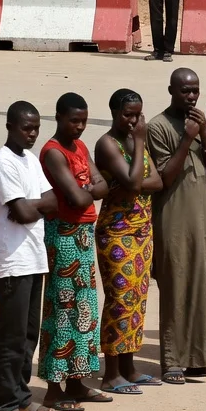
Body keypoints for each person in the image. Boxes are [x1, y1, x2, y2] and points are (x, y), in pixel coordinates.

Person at [146, 69, 206, 382]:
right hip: (174, 217)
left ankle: (201, 358)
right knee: (176, 287)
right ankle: (172, 361)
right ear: (172, 90)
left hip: (202, 217)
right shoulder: (158, 127)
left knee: (202, 285)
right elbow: (165, 177)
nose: (191, 97)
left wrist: (204, 134)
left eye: (194, 91)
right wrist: (188, 138)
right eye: (185, 91)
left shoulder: (199, 126)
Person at [0, 102, 59, 411]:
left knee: (30, 334)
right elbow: (26, 211)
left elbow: (51, 202)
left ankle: (23, 396)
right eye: (26, 128)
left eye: (36, 129)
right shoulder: (2, 164)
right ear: (10, 126)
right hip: (11, 260)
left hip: (33, 257)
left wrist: (32, 206)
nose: (31, 134)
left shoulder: (30, 160)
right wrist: (31, 207)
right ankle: (5, 405)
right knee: (12, 336)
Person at [38, 93, 112, 409]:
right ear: (58, 117)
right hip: (64, 236)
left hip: (82, 233)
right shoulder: (53, 152)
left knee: (85, 311)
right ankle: (55, 388)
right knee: (63, 312)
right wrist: (86, 191)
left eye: (83, 121)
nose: (80, 127)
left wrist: (87, 190)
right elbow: (78, 197)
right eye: (73, 121)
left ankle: (78, 382)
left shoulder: (79, 147)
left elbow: (102, 185)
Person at [89, 89, 163, 394]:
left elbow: (156, 182)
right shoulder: (108, 144)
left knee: (137, 300)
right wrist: (141, 143)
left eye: (137, 115)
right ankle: (111, 374)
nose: (133, 121)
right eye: (127, 114)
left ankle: (129, 368)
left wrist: (132, 185)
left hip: (142, 230)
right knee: (120, 300)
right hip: (117, 231)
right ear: (114, 112)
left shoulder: (133, 140)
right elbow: (134, 183)